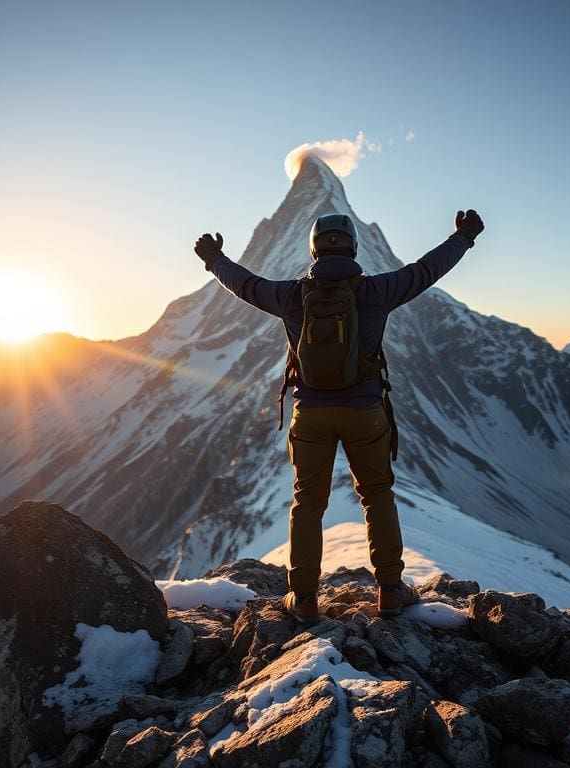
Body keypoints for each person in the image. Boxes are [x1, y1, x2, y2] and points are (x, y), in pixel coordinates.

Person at [194, 208, 484, 623]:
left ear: (313, 249)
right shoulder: (378, 291)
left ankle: (305, 598)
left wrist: (213, 259)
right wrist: (464, 237)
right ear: (353, 247)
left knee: (307, 504)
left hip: (310, 414)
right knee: (376, 495)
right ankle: (389, 590)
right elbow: (426, 270)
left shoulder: (291, 295)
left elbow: (246, 285)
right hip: (365, 411)